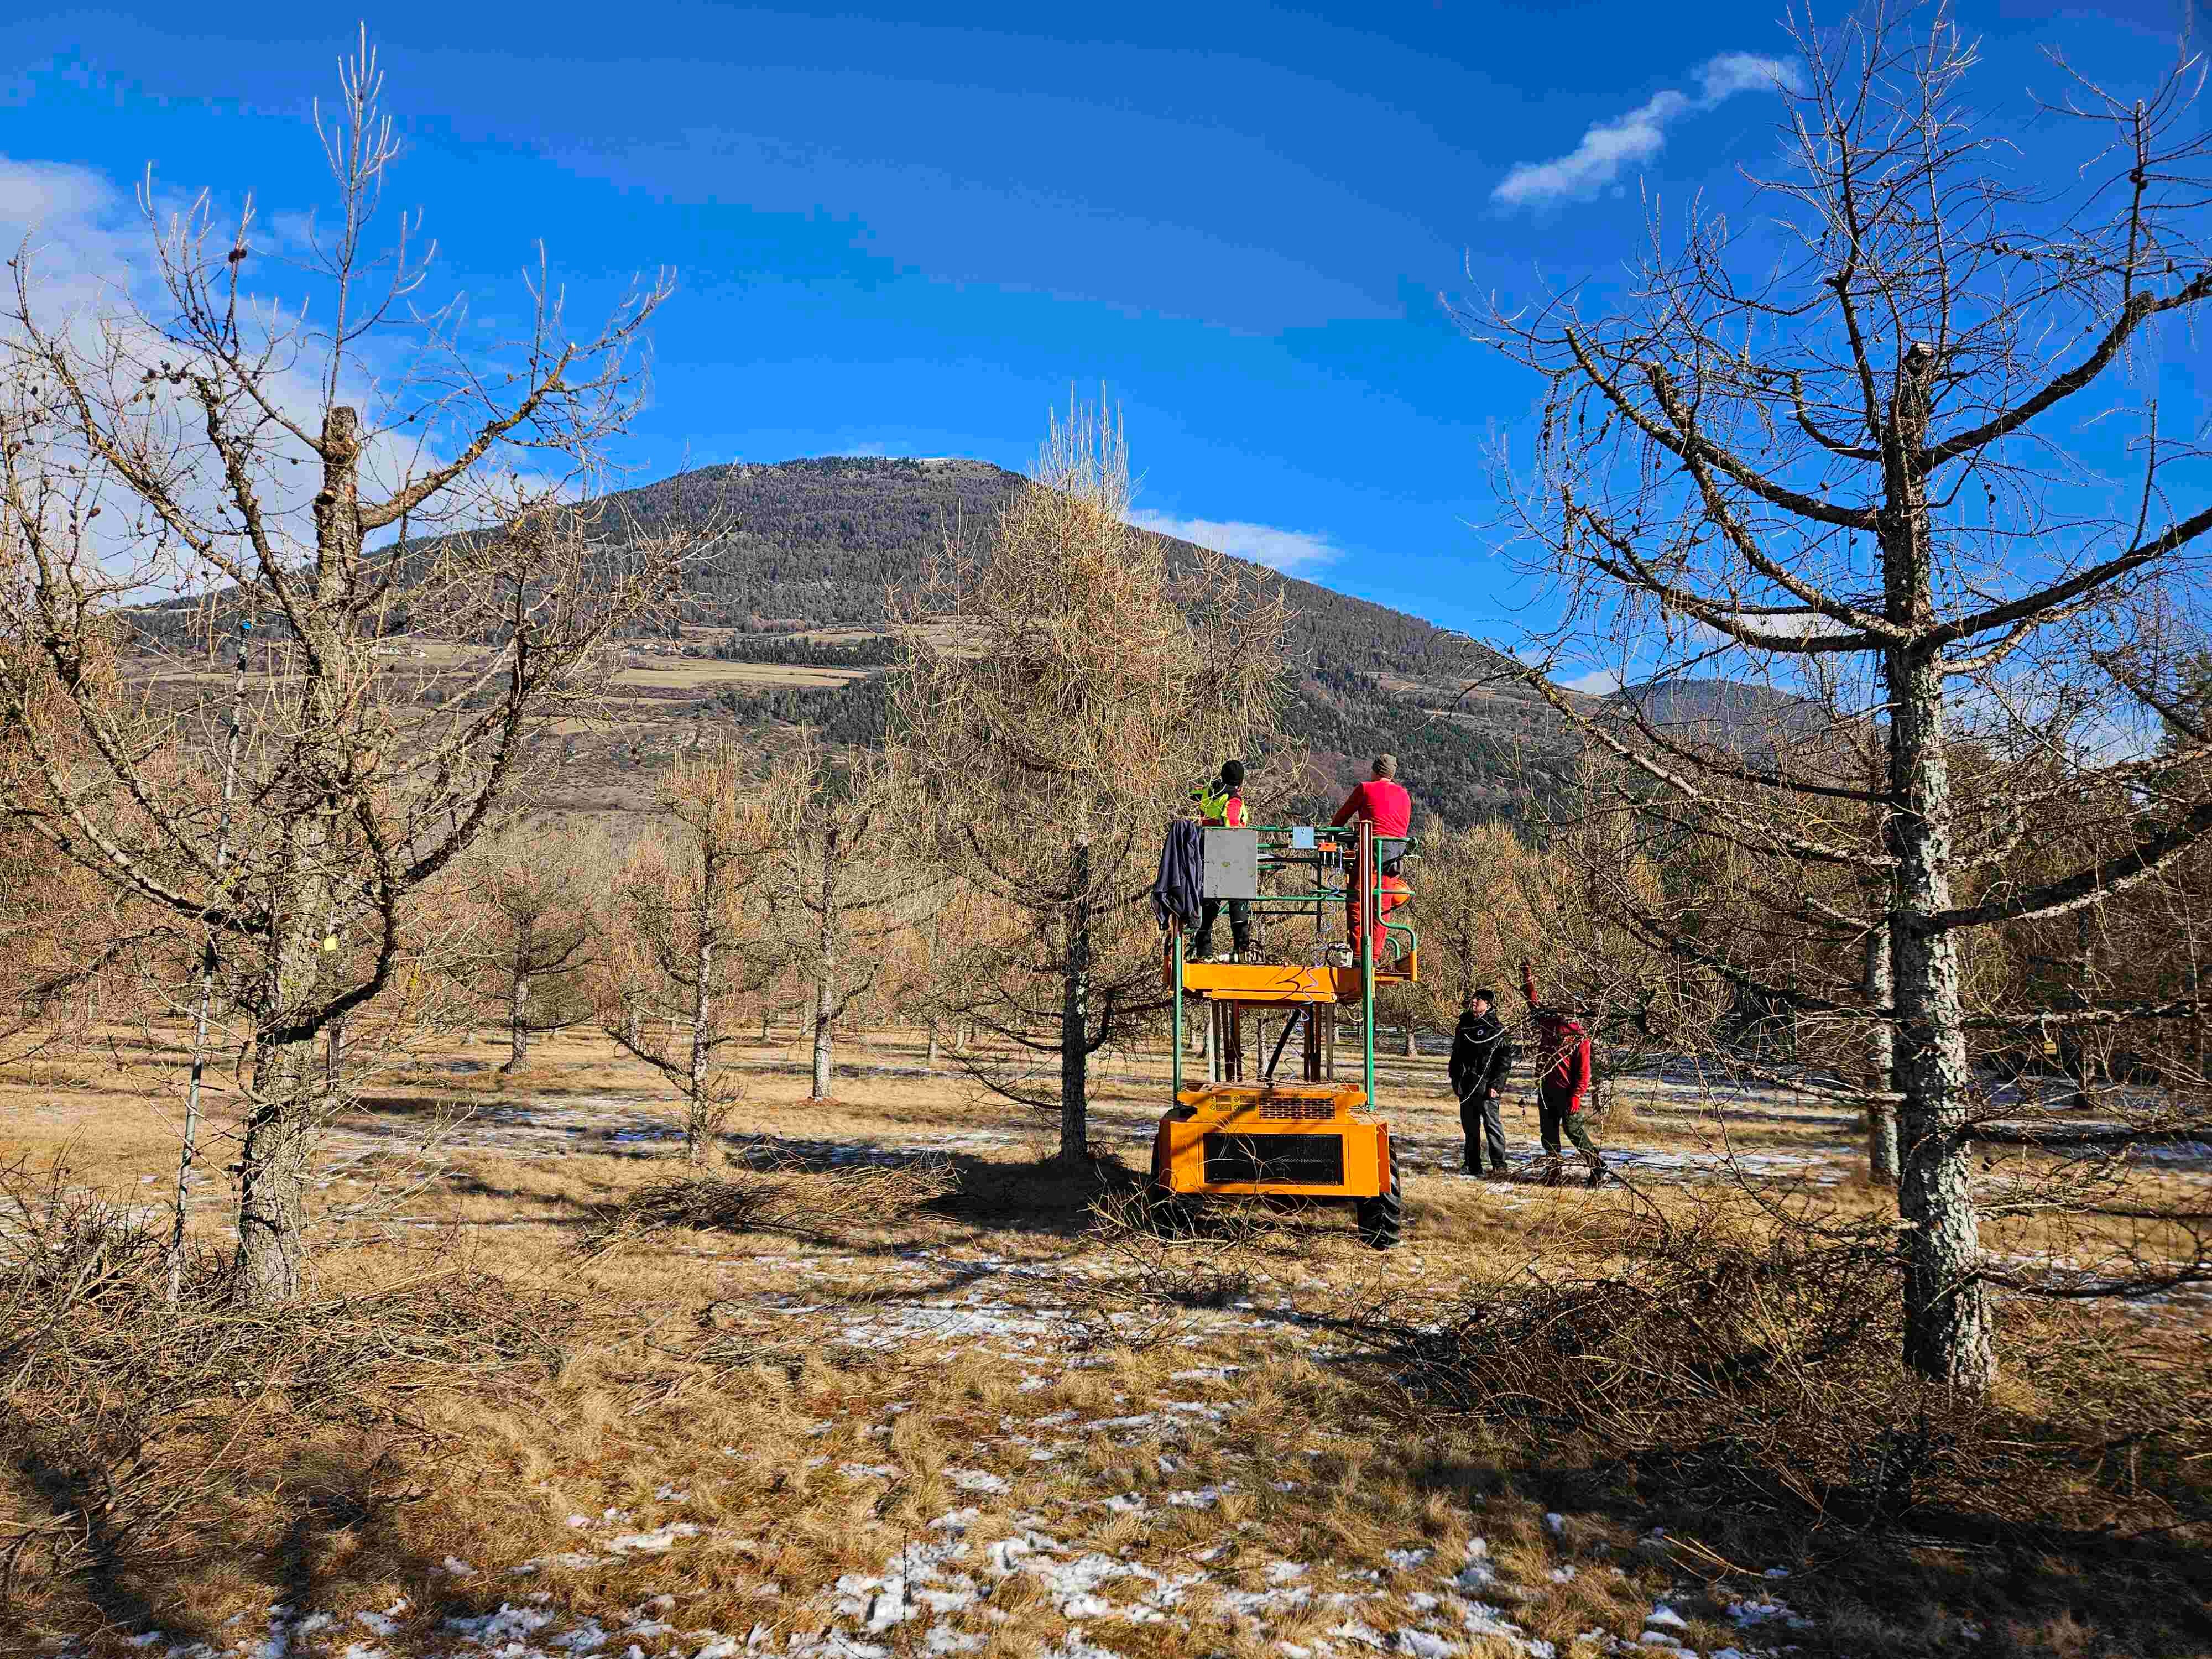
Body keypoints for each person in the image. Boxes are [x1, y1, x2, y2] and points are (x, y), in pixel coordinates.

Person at [1521, 958, 1605, 1186]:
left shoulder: (1580, 1038)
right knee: (1548, 1134)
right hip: (1546, 1089)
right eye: (1566, 1007)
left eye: (1573, 1008)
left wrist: (1577, 1095)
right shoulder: (1549, 1024)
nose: (1568, 1011)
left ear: (1579, 1011)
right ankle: (1554, 1170)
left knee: (1574, 1130)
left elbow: (1584, 1072)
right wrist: (1528, 980)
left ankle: (1597, 1167)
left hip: (1567, 1093)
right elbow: (1533, 1004)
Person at [1331, 756, 1412, 963]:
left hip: (1371, 850)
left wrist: (1332, 833)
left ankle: (1358, 953)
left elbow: (1342, 817)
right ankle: (1374, 956)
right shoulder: (1404, 794)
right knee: (1383, 903)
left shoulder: (1366, 789)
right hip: (1395, 853)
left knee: (1358, 899)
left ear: (1376, 771)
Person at [1448, 987, 1514, 1177]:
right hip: (1466, 1085)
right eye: (1474, 999)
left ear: (1488, 1005)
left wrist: (1496, 1086)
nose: (1474, 1002)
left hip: (1487, 1086)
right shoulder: (1464, 1026)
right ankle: (1472, 1164)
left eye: (1479, 1000)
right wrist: (1455, 1078)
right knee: (1470, 1127)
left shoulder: (1497, 1029)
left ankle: (1499, 1164)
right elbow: (1456, 1055)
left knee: (1492, 1126)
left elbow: (1504, 1061)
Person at [1191, 760, 1250, 962]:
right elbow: (1232, 824)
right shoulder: (1234, 799)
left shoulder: (1209, 792)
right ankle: (1241, 949)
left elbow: (1194, 794)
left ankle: (1203, 950)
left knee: (1210, 903)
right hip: (1229, 854)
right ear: (1240, 782)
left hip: (1207, 852)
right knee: (1238, 899)